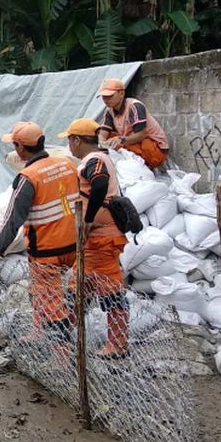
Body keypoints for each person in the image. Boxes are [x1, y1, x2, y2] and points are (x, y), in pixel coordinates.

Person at [0, 122, 80, 339]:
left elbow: (12, 221)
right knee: (40, 292)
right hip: (74, 244)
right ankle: (38, 331)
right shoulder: (67, 166)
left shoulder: (28, 178)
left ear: (20, 148)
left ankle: (61, 360)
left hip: (46, 251)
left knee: (51, 303)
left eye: (15, 145)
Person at [61, 117, 129, 357]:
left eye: (69, 141)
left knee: (110, 291)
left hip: (102, 239)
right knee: (78, 286)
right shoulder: (98, 159)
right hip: (95, 240)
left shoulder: (94, 160)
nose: (69, 146)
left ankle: (117, 344)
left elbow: (99, 186)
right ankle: (63, 333)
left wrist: (88, 219)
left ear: (77, 140)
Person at [96, 78, 170, 170]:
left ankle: (146, 166)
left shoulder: (134, 106)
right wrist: (102, 142)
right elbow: (103, 133)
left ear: (121, 93)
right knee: (107, 138)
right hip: (131, 141)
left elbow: (142, 135)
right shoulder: (109, 111)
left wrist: (120, 140)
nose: (106, 100)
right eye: (104, 97)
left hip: (154, 147)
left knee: (124, 142)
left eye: (109, 96)